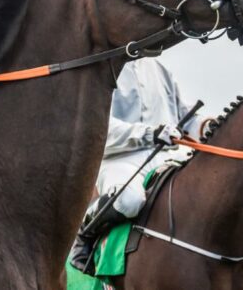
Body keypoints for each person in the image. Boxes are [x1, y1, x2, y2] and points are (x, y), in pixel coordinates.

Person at [69, 57, 200, 275]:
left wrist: (209, 126)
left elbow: (187, 118)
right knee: (130, 200)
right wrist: (149, 133)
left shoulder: (158, 67)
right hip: (120, 159)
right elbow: (98, 127)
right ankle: (85, 230)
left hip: (166, 156)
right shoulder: (102, 67)